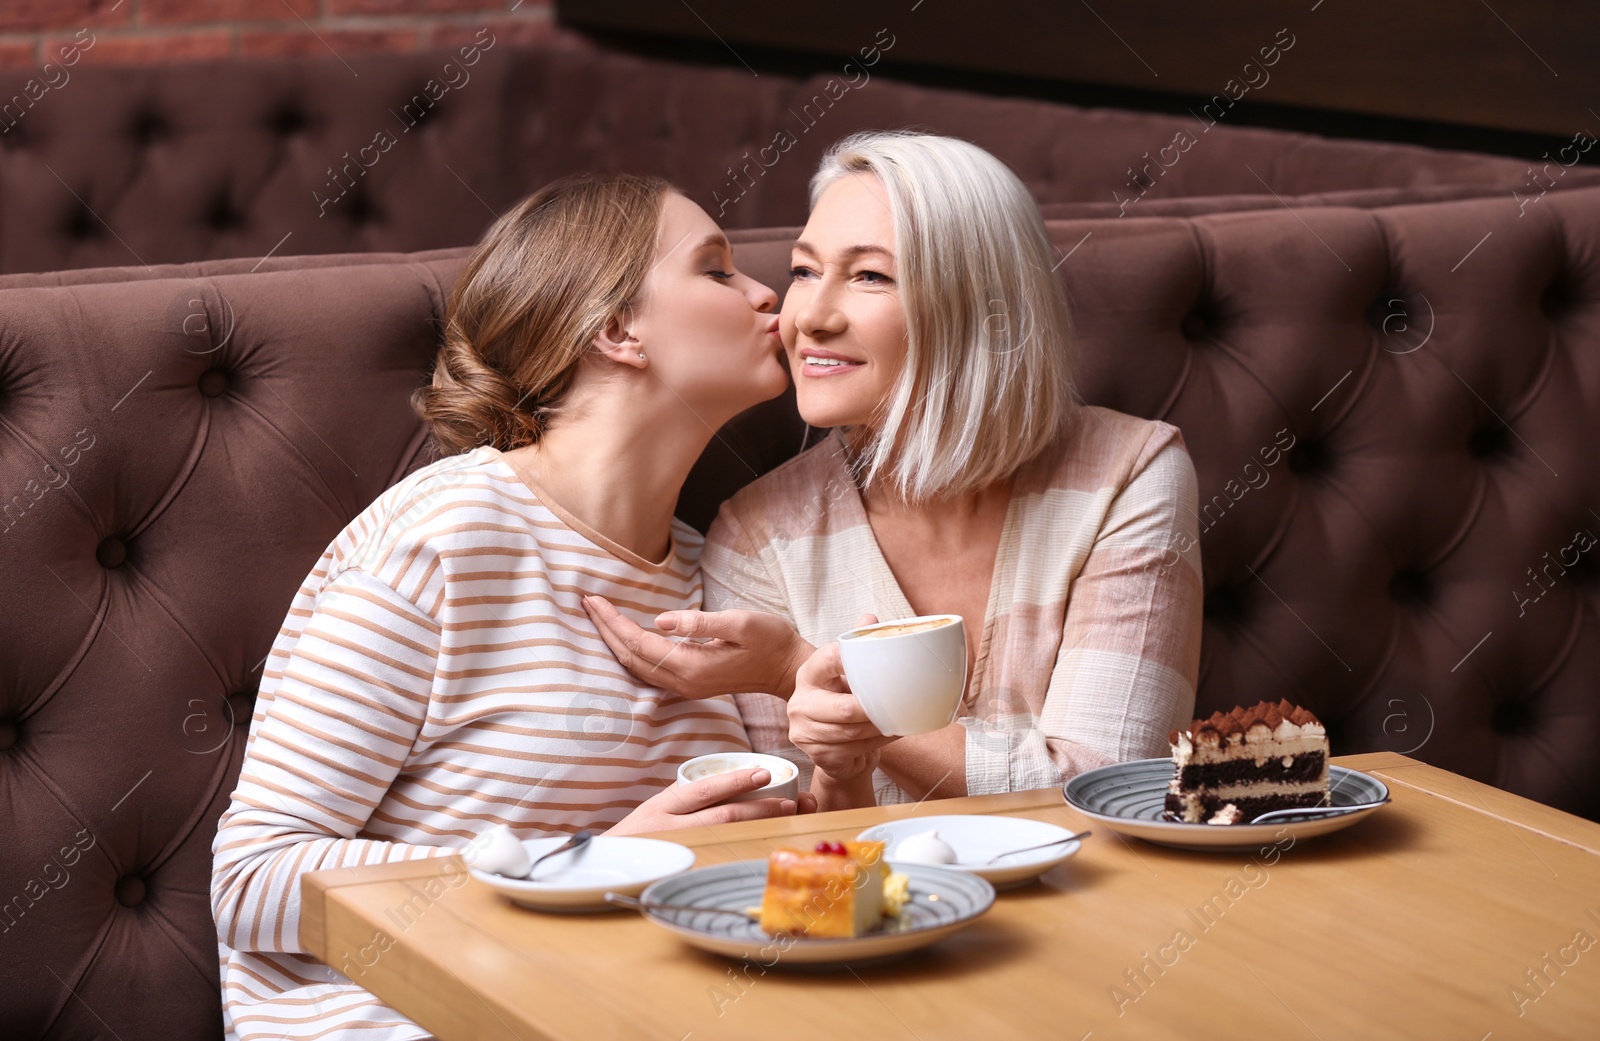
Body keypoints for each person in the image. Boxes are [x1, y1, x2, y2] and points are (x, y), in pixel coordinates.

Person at [211, 172, 805, 1041]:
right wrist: (591, 866)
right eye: (715, 270)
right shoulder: (446, 541)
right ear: (616, 329)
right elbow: (251, 880)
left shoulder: (718, 567)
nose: (767, 295)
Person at [586, 131, 1204, 810]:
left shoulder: (1128, 472)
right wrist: (843, 761)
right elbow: (800, 841)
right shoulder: (760, 532)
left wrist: (796, 670)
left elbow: (1107, 786)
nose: (810, 318)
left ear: (981, 310)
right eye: (803, 271)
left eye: (870, 275)